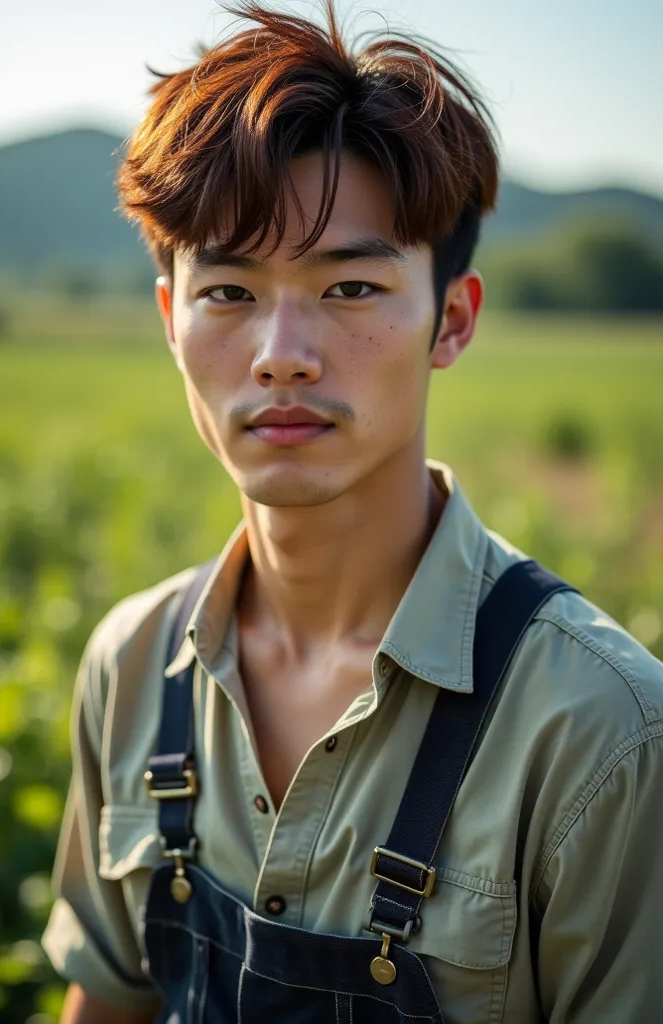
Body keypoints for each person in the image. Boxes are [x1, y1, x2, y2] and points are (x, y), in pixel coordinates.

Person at [42, 1, 663, 1021]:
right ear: (169, 317)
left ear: (450, 320)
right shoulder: (132, 663)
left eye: (350, 287)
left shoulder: (603, 732)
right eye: (230, 291)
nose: (281, 350)